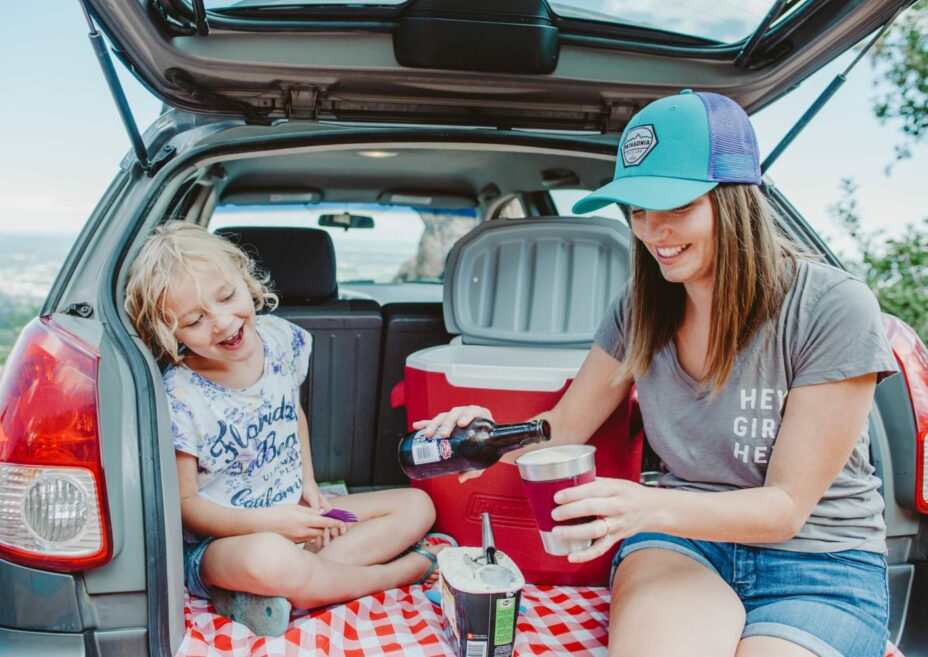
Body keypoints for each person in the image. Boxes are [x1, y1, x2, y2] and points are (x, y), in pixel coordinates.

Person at [416, 91, 898, 657]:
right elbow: (565, 425)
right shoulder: (640, 306)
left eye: (674, 206)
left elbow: (785, 509)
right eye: (638, 210)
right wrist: (493, 440)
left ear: (737, 199)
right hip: (682, 544)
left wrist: (640, 504)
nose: (653, 232)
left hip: (819, 563)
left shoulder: (832, 306)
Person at [125, 221, 449, 636]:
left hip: (294, 513)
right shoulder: (180, 395)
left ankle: (288, 587)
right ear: (170, 332)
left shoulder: (280, 340)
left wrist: (308, 486)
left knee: (417, 506)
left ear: (246, 280)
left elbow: (291, 413)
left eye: (227, 297)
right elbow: (187, 505)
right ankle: (396, 574)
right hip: (228, 543)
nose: (223, 323)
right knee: (268, 559)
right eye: (195, 321)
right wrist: (272, 525)